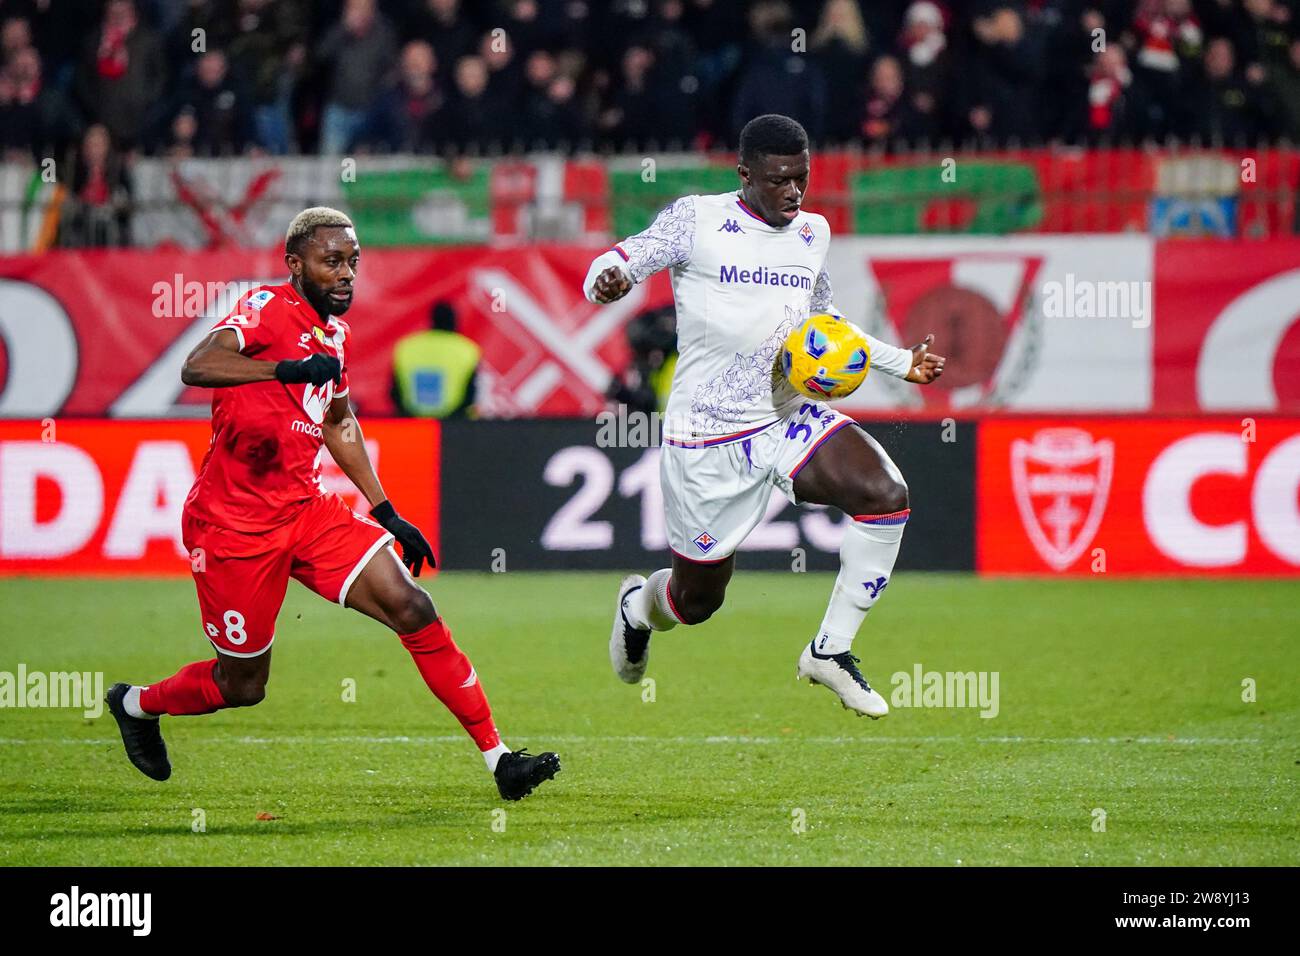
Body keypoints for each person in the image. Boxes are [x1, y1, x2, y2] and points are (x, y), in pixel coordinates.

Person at [105, 207, 559, 801]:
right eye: (332, 261)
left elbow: (339, 423)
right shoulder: (266, 308)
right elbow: (197, 366)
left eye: (353, 262)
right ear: (295, 264)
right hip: (232, 526)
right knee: (242, 685)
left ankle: (500, 759)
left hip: (306, 512)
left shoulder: (335, 335)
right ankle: (136, 705)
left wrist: (385, 510)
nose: (347, 274)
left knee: (413, 605)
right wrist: (285, 368)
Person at [584, 115, 945, 719]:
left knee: (886, 495)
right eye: (779, 180)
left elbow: (824, 324)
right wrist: (609, 281)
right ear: (745, 174)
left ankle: (830, 650)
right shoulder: (695, 220)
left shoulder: (812, 233)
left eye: (802, 179)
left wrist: (896, 362)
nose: (794, 193)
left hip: (785, 417)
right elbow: (615, 263)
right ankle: (637, 609)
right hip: (706, 438)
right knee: (696, 602)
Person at [390, 301, 480, 418]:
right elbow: (471, 395)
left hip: (412, 423)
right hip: (454, 425)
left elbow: (395, 392)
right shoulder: (468, 350)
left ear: (431, 320)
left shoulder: (407, 347)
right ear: (455, 321)